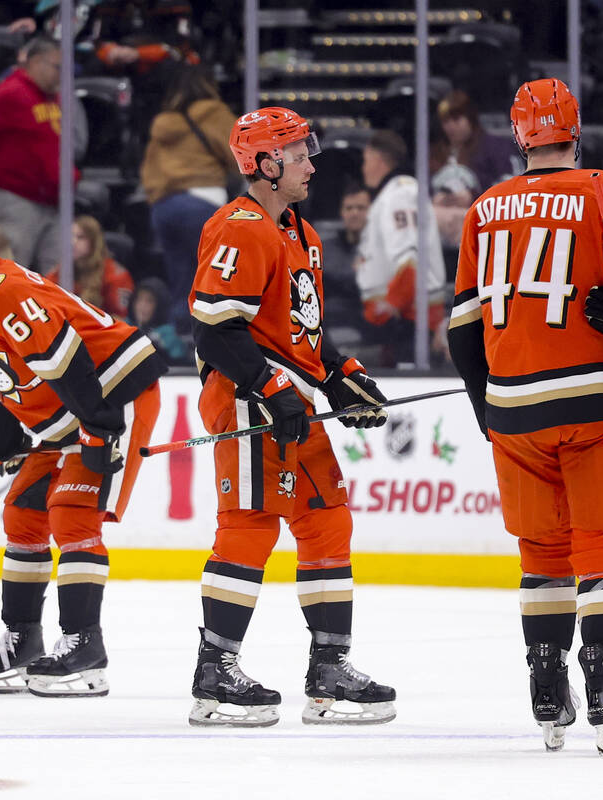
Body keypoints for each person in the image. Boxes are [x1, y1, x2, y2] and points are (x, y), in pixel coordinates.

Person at [446, 78, 603, 756]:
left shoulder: (484, 207)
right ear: (575, 129)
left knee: (542, 552)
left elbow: (462, 331)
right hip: (593, 403)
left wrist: (488, 411)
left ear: (520, 135)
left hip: (512, 411)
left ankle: (548, 686)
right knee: (601, 547)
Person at [186, 106, 396, 727]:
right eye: (299, 153)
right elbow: (214, 329)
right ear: (265, 163)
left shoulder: (301, 232)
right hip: (251, 404)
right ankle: (214, 672)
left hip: (288, 404)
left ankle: (330, 668)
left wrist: (341, 376)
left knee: (327, 520)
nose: (312, 162)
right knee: (250, 527)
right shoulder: (240, 227)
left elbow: (301, 331)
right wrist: (271, 386)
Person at [0, 209, 167, 696]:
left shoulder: (6, 292)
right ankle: (24, 639)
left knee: (72, 512)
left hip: (112, 395)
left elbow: (67, 361)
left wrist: (98, 430)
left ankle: (84, 647)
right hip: (70, 407)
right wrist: (3, 441)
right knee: (23, 514)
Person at [0, 37, 83, 268]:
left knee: (58, 279)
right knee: (6, 276)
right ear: (35, 62)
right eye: (57, 68)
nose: (61, 75)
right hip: (15, 201)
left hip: (52, 201)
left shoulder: (53, 97)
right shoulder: (10, 93)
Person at [139, 64, 238, 331]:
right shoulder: (214, 112)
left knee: (180, 279)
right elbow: (238, 153)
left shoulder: (163, 123)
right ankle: (218, 338)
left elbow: (148, 169)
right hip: (202, 202)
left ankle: (182, 338)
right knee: (215, 275)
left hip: (164, 206)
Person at [355, 129, 448, 366]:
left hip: (408, 324)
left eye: (366, 161)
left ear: (378, 159)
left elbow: (411, 264)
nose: (363, 168)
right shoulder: (395, 194)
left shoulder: (401, 194)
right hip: (404, 323)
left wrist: (387, 309)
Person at [44, 215, 135, 320]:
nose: (72, 242)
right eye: (71, 236)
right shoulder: (63, 268)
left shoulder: (116, 275)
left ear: (94, 242)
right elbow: (44, 296)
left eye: (80, 237)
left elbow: (121, 319)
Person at [318, 182, 369, 334]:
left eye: (361, 208)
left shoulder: (382, 247)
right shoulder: (325, 247)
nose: (354, 213)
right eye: (349, 208)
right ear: (342, 212)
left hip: (369, 321)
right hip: (331, 320)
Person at [127, 276, 188, 364]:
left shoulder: (168, 335)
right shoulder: (124, 327)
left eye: (149, 301)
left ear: (159, 306)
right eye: (139, 299)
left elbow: (179, 363)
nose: (142, 306)